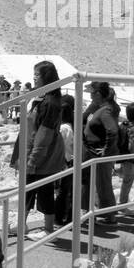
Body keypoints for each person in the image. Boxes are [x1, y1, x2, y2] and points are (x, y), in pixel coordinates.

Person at [11, 60, 65, 235]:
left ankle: (49, 230)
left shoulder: (50, 103)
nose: (34, 78)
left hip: (42, 158)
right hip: (33, 154)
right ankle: (22, 225)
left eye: (37, 75)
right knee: (28, 191)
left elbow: (44, 135)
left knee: (44, 192)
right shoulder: (42, 98)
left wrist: (33, 160)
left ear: (46, 78)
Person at [81, 82, 120, 224]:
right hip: (93, 152)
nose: (90, 96)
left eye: (92, 93)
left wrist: (106, 149)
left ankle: (109, 216)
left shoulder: (105, 111)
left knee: (103, 184)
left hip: (99, 154)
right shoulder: (102, 109)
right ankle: (102, 213)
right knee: (97, 184)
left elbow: (113, 130)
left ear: (98, 94)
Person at [55, 94, 76, 226]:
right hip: (70, 161)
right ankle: (68, 217)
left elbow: (60, 147)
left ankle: (59, 218)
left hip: (64, 162)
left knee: (62, 192)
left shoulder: (63, 128)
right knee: (67, 191)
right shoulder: (71, 125)